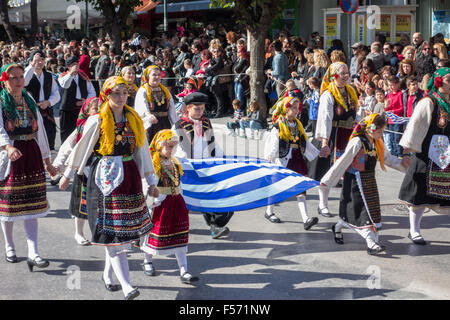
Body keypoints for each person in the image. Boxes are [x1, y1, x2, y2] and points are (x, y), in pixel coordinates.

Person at [59, 76, 159, 300]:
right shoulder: (97, 120)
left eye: (125, 93)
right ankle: (127, 286)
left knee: (121, 234)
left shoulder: (133, 118)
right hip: (105, 179)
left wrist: (151, 182)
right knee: (114, 235)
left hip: (130, 176)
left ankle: (107, 276)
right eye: (116, 93)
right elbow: (81, 148)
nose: (121, 97)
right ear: (106, 94)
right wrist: (67, 174)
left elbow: (141, 151)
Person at [321, 114, 410, 255]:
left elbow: (386, 158)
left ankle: (338, 227)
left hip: (369, 181)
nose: (381, 134)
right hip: (355, 182)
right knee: (363, 212)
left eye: (382, 131)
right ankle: (370, 243)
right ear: (370, 129)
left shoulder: (377, 142)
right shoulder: (357, 142)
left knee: (371, 212)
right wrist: (328, 180)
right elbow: (343, 161)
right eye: (380, 131)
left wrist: (403, 165)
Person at [0, 63, 58, 270]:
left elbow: (40, 130)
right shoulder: (1, 100)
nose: (17, 81)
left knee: (32, 203)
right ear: (4, 80)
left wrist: (48, 162)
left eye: (20, 77)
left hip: (31, 151)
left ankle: (34, 252)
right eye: (13, 78)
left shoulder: (28, 98)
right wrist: (7, 147)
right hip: (12, 154)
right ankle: (10, 247)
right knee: (9, 204)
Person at [398, 67, 450, 245]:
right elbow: (415, 126)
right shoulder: (428, 102)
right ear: (438, 82)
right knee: (418, 193)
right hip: (426, 155)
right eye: (449, 80)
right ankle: (414, 230)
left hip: (446, 155)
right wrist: (407, 150)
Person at [140, 129, 199, 284]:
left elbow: (180, 182)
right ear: (160, 145)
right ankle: (147, 261)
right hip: (160, 204)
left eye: (174, 146)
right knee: (153, 234)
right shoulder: (154, 163)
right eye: (169, 146)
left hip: (176, 202)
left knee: (180, 234)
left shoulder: (175, 162)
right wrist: (153, 200)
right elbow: (148, 183)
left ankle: (184, 270)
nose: (172, 149)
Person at [172, 92, 232, 239]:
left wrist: (222, 158)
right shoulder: (180, 124)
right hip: (188, 168)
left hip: (206, 167)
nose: (200, 111)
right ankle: (176, 229)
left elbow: (212, 143)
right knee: (185, 201)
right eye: (196, 108)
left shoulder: (206, 122)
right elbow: (177, 147)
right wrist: (186, 163)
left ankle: (216, 226)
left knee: (217, 197)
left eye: (202, 108)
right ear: (188, 108)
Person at [264, 94, 319, 229]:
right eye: (293, 108)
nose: (296, 110)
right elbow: (274, 142)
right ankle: (269, 211)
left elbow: (305, 142)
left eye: (297, 108)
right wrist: (270, 156)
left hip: (297, 159)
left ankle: (306, 219)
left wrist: (318, 152)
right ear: (286, 109)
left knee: (301, 187)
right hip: (283, 159)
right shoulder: (278, 126)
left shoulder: (298, 125)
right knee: (276, 187)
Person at [311, 62, 359, 218]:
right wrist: (325, 143)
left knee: (351, 171)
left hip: (349, 136)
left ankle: (347, 205)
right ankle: (322, 204)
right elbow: (325, 118)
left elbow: (355, 113)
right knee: (328, 172)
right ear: (333, 76)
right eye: (342, 73)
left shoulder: (351, 91)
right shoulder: (328, 94)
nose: (346, 76)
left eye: (347, 73)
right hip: (334, 136)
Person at [52, 97, 99, 246]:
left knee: (99, 205)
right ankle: (79, 233)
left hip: (100, 171)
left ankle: (98, 234)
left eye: (100, 109)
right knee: (81, 203)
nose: (98, 112)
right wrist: (58, 167)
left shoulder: (105, 125)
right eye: (94, 109)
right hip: (83, 170)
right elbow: (67, 148)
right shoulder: (81, 128)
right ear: (86, 111)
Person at [24, 50, 61, 154]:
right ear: (31, 61)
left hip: (47, 110)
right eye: (37, 60)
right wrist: (32, 65)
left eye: (42, 60)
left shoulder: (49, 76)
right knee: (35, 138)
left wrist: (48, 102)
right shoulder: (28, 74)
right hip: (32, 110)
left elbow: (56, 94)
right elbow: (24, 82)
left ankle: (49, 160)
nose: (39, 62)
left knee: (49, 137)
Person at [135, 65, 178, 144]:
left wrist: (176, 124)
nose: (157, 77)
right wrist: (148, 115)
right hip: (152, 124)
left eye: (159, 74)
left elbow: (172, 109)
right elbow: (142, 107)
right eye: (154, 75)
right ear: (148, 76)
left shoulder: (165, 91)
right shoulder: (143, 90)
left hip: (165, 123)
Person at [58, 56, 96, 143]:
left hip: (81, 109)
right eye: (73, 64)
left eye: (77, 64)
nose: (76, 66)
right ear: (69, 66)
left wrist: (86, 101)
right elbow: (65, 85)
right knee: (66, 135)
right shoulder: (63, 76)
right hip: (67, 110)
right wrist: (71, 74)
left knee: (80, 133)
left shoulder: (83, 76)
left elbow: (91, 91)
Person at [384, 76, 404, 157]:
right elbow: (386, 108)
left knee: (397, 137)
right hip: (390, 119)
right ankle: (393, 153)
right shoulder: (389, 95)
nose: (391, 87)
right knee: (391, 137)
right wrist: (386, 106)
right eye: (389, 85)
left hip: (397, 119)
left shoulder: (400, 94)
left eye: (392, 85)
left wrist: (394, 111)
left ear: (397, 84)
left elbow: (402, 108)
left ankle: (399, 153)